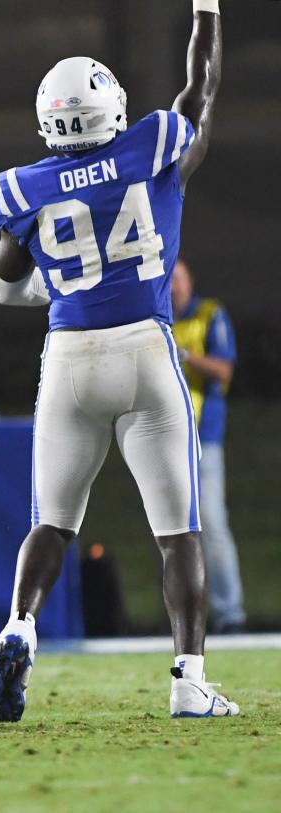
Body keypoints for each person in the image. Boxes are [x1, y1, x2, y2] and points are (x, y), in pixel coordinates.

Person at [0, 0, 237, 720]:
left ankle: (19, 624)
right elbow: (202, 88)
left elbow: (5, 283)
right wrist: (207, 13)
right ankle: (188, 677)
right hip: (146, 350)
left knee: (53, 522)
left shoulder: (22, 187)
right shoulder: (151, 144)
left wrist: (55, 286)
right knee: (178, 529)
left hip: (67, 357)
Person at [171, 258, 245, 633]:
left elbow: (225, 369)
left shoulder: (209, 314)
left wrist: (185, 356)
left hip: (204, 437)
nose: (173, 286)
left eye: (178, 278)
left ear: (190, 281)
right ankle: (179, 616)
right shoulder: (156, 321)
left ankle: (230, 613)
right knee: (171, 529)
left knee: (213, 524)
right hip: (166, 440)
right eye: (168, 279)